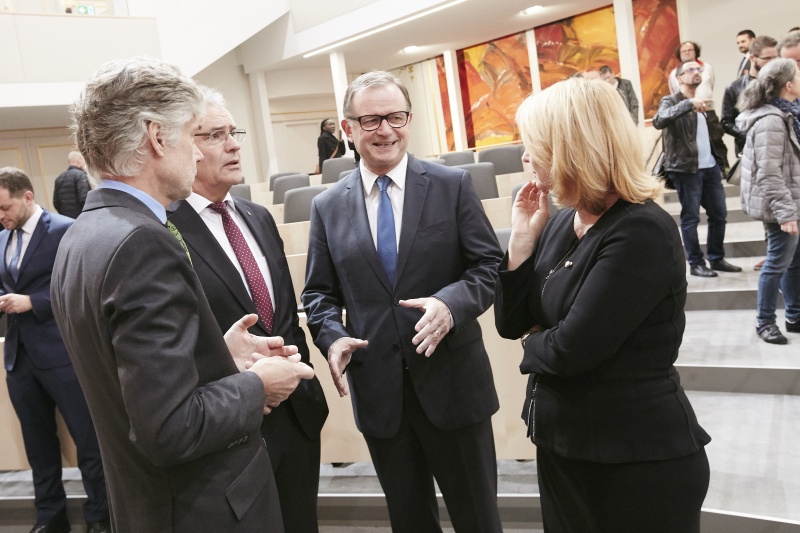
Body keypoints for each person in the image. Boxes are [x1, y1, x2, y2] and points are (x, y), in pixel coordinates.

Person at [50, 57, 315, 532]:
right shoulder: (143, 243)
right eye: (194, 135)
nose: (196, 154)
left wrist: (217, 355)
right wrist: (259, 384)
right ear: (157, 137)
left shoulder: (82, 234)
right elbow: (171, 427)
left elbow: (132, 383)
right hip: (201, 508)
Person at [496, 76, 711, 532]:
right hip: (565, 445)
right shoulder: (561, 222)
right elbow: (511, 323)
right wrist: (520, 243)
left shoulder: (640, 230)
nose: (526, 156)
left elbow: (570, 350)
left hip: (634, 459)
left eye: (535, 145)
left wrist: (539, 340)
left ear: (570, 149)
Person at [302, 71, 504, 532]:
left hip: (453, 385)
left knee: (479, 520)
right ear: (347, 127)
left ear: (409, 119)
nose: (386, 130)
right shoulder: (327, 206)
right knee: (410, 523)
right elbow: (318, 293)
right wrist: (332, 337)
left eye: (396, 117)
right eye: (371, 120)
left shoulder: (452, 185)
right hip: (380, 394)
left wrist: (449, 305)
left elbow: (487, 266)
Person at [169, 86, 329, 532]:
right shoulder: (164, 230)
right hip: (233, 427)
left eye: (233, 132)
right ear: (184, 146)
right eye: (214, 135)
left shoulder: (257, 216)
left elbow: (286, 316)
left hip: (297, 416)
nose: (234, 145)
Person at [0, 167, 109, 533]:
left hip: (62, 353)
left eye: (5, 207)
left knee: (88, 441)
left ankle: (99, 517)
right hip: (19, 359)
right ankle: (50, 517)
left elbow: (81, 287)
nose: (1, 216)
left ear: (27, 196)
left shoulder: (65, 229)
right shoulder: (2, 239)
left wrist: (33, 302)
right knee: (38, 446)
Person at [654, 60, 743, 277]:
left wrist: (720, 161)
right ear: (679, 78)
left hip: (710, 167)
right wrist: (688, 104)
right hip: (686, 168)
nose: (696, 72)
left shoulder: (704, 103)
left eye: (699, 69)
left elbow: (714, 135)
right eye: (690, 70)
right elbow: (659, 120)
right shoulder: (671, 100)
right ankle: (695, 263)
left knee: (719, 214)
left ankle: (716, 258)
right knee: (691, 217)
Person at [736, 58, 800, 344]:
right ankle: (764, 322)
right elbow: (768, 172)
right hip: (781, 206)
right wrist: (786, 213)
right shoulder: (772, 120)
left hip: (792, 200)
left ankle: (794, 315)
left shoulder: (788, 113)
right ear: (788, 85)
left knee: (794, 262)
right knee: (776, 264)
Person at [668, 41, 729, 168]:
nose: (687, 53)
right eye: (684, 51)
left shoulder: (707, 68)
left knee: (716, 139)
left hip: (708, 111)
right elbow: (674, 92)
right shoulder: (674, 73)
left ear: (696, 52)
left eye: (690, 50)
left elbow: (711, 85)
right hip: (687, 114)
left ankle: (724, 170)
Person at [722, 35, 778, 155]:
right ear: (752, 58)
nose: (773, 62)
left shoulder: (782, 84)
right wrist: (745, 134)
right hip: (748, 150)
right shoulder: (734, 87)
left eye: (775, 57)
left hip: (778, 147)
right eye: (767, 58)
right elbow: (726, 122)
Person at [52, 151, 90, 219]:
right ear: (79, 160)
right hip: (81, 218)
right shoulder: (80, 175)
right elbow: (84, 199)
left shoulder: (59, 178)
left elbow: (56, 202)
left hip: (66, 219)